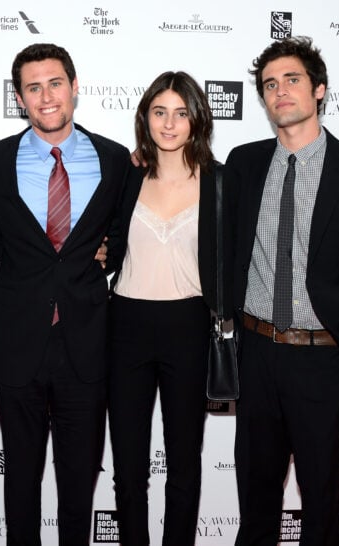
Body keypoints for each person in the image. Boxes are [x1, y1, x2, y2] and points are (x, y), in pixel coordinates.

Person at [228, 36, 339, 545]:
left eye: (293, 80)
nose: (280, 91)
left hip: (325, 361)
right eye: (270, 84)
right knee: (254, 506)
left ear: (319, 89)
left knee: (321, 509)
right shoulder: (243, 163)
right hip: (256, 355)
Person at [0, 43, 130, 545]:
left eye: (55, 83)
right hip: (18, 345)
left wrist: (113, 253)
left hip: (87, 345)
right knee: (19, 480)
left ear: (75, 86)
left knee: (79, 484)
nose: (46, 96)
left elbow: (129, 237)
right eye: (33, 87)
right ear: (19, 97)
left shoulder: (116, 159)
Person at [105, 71, 232, 546]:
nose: (170, 123)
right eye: (160, 112)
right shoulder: (126, 174)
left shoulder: (221, 182)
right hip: (126, 324)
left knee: (184, 463)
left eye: (181, 113)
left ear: (197, 120)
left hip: (189, 325)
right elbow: (105, 241)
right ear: (146, 117)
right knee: (128, 467)